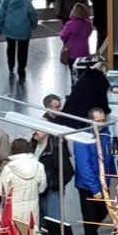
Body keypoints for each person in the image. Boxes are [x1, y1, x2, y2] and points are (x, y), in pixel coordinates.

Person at [72, 107, 115, 235]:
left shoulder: (106, 135)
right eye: (98, 121)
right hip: (87, 185)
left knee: (102, 212)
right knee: (90, 220)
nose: (102, 124)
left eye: (103, 121)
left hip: (103, 183)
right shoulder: (82, 139)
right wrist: (95, 189)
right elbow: (84, 166)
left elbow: (109, 158)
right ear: (90, 122)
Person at [32, 93, 73, 221]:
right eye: (55, 107)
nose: (59, 109)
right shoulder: (44, 126)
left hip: (55, 181)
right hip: (49, 182)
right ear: (47, 107)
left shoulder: (62, 120)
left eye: (59, 106)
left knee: (54, 212)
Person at [0, 137, 46, 235]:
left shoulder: (9, 168)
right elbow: (42, 188)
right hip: (33, 209)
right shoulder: (39, 166)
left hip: (13, 209)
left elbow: (0, 191)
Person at [0, 0, 38, 80]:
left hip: (9, 29)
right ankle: (21, 69)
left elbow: (0, 14)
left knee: (10, 48)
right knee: (23, 50)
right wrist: (34, 24)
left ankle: (11, 66)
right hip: (24, 29)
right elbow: (32, 13)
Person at [63, 56, 111, 121]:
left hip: (70, 110)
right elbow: (102, 100)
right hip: (83, 114)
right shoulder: (100, 81)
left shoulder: (85, 75)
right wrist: (107, 111)